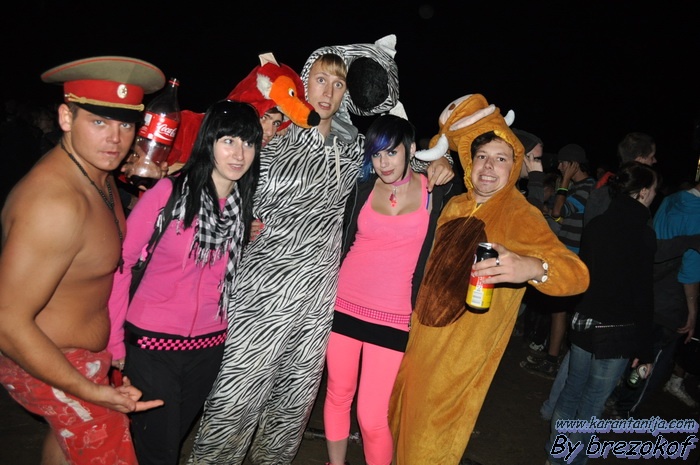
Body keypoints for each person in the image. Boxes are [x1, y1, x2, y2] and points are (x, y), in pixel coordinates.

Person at [188, 36, 454, 465]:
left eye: (338, 84)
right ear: (304, 83)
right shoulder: (269, 141)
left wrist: (443, 163)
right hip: (261, 294)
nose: (328, 92)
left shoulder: (353, 152)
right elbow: (216, 187)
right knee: (236, 398)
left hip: (320, 300)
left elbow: (403, 162)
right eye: (320, 80)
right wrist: (238, 224)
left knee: (292, 406)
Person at [388, 93, 589, 464]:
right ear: (470, 160)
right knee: (395, 428)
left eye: (501, 158)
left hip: (457, 362)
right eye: (481, 156)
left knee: (428, 447)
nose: (488, 167)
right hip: (416, 344)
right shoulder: (456, 204)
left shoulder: (519, 214)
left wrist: (533, 267)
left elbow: (577, 274)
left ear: (515, 166)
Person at [0, 56, 166, 465]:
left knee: (65, 445)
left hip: (81, 355)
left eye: (125, 125)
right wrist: (90, 391)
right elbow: (6, 321)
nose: (115, 139)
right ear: (65, 117)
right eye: (98, 122)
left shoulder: (97, 173)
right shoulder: (55, 204)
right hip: (44, 358)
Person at [107, 100, 262, 465]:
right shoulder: (168, 194)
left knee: (167, 441)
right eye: (228, 141)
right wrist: (114, 340)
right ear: (209, 142)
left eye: (248, 143)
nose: (239, 154)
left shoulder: (241, 208)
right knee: (159, 451)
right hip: (152, 344)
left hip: (208, 348)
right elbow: (122, 263)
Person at [323, 114, 457, 465]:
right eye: (377, 154)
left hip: (394, 316)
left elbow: (475, 181)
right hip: (344, 305)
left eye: (392, 152)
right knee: (338, 394)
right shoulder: (362, 188)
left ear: (411, 150)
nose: (383, 163)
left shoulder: (434, 190)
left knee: (371, 416)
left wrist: (446, 160)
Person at [545, 161, 658, 465]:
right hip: (615, 332)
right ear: (642, 192)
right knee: (592, 403)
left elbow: (586, 278)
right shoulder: (643, 234)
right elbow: (642, 295)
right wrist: (645, 349)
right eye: (653, 190)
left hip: (584, 322)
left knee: (571, 393)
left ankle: (555, 457)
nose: (654, 195)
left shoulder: (596, 224)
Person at [606, 179, 700, 417]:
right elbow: (690, 270)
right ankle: (626, 409)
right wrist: (692, 311)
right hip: (671, 299)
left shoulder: (671, 199)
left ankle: (615, 396)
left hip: (647, 287)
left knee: (635, 348)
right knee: (651, 358)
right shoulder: (697, 214)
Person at [522, 144, 595, 379]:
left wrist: (563, 182)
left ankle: (552, 360)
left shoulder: (587, 187)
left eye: (564, 163)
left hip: (573, 256)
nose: (560, 167)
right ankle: (550, 354)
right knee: (557, 310)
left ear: (574, 164)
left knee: (560, 310)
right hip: (564, 252)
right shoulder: (577, 187)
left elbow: (557, 211)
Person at [584, 131, 656, 226]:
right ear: (639, 160)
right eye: (651, 157)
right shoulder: (638, 197)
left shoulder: (600, 192)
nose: (654, 161)